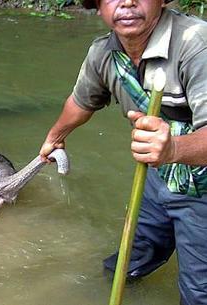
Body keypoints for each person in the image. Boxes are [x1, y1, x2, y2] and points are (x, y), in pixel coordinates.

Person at [39, 0, 207, 304]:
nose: (127, 2)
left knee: (199, 293)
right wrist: (55, 137)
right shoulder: (104, 53)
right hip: (157, 175)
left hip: (202, 187)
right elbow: (81, 102)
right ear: (99, 7)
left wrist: (173, 148)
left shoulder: (196, 44)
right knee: (127, 264)